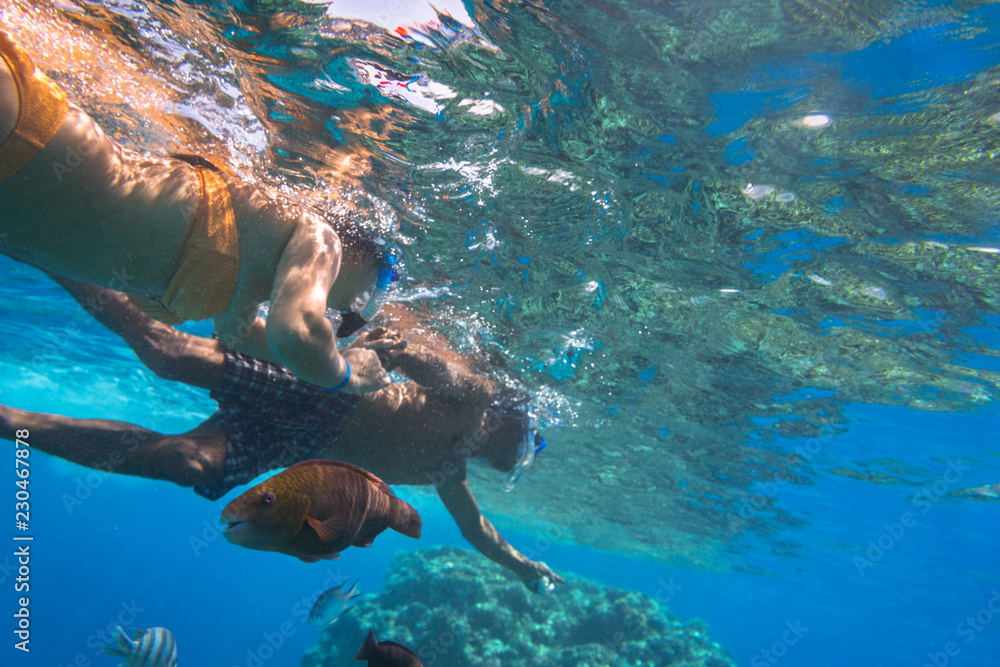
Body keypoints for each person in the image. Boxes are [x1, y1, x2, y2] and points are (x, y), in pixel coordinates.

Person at [0, 278, 564, 593]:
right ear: (516, 420)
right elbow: (448, 375)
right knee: (168, 353)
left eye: (517, 460)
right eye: (522, 446)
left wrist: (522, 566)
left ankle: (8, 423)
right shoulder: (480, 401)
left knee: (189, 465)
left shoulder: (450, 473)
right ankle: (49, 252)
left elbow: (477, 529)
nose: (511, 459)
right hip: (314, 388)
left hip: (296, 444)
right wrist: (405, 354)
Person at [0, 27, 389, 393]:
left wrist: (337, 355)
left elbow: (243, 336)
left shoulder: (249, 279)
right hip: (30, 135)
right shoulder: (319, 235)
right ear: (359, 248)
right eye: (380, 283)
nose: (359, 307)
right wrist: (347, 377)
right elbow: (294, 333)